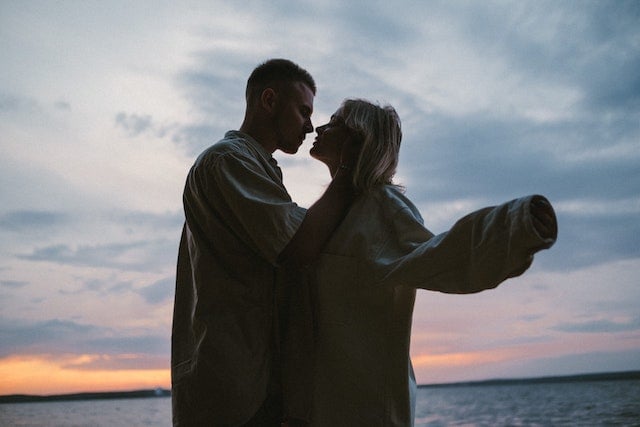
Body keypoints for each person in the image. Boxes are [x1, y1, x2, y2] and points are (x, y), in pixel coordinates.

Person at [301, 99, 558, 426]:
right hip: (322, 407)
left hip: (367, 408)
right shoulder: (333, 211)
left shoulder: (383, 207)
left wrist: (516, 225)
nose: (320, 128)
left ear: (357, 138)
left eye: (335, 122)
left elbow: (443, 256)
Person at [170, 59, 360, 426]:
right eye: (303, 111)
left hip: (253, 387)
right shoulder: (226, 163)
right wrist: (349, 171)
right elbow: (298, 248)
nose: (309, 125)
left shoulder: (254, 168)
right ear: (269, 100)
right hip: (233, 393)